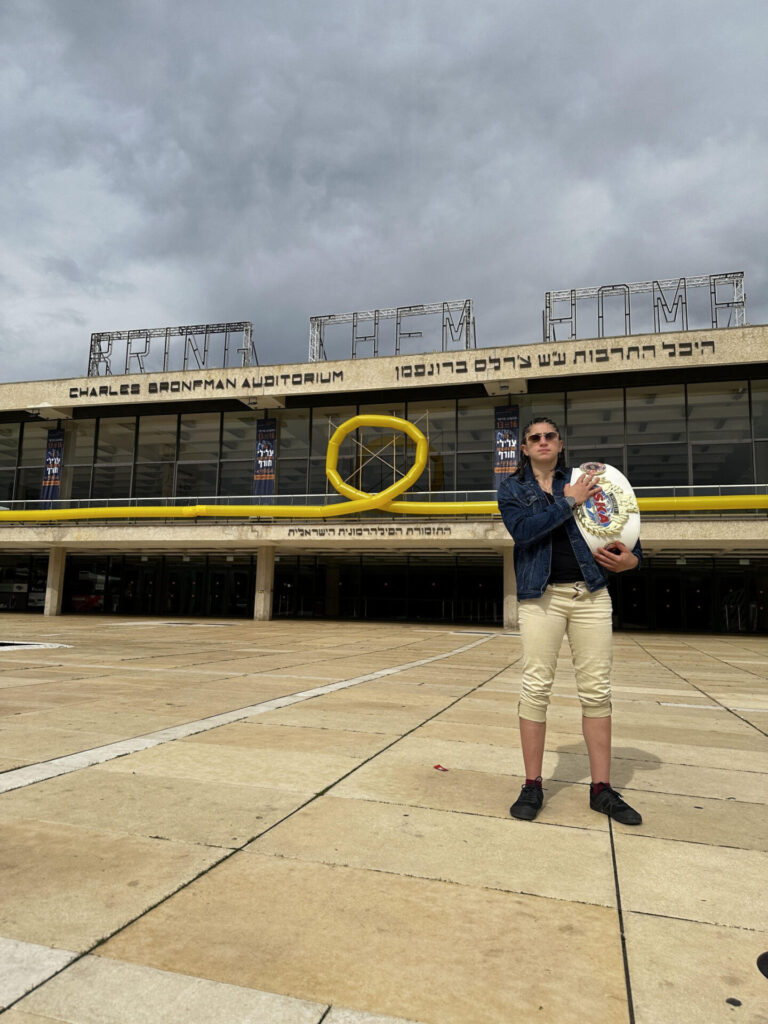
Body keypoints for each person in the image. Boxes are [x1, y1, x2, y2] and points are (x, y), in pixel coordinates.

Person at [497, 417, 643, 825]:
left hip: (591, 594)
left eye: (549, 436)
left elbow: (619, 521)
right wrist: (567, 501)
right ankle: (532, 784)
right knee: (536, 686)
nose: (542, 442)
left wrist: (633, 559)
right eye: (534, 438)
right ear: (525, 448)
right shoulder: (513, 488)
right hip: (541, 597)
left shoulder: (589, 479)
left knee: (596, 689)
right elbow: (523, 532)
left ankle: (601, 789)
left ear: (560, 444)